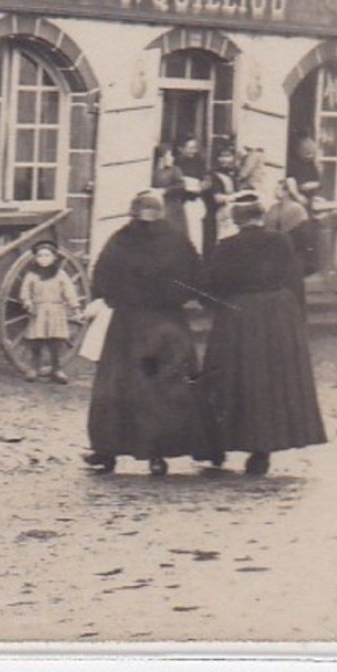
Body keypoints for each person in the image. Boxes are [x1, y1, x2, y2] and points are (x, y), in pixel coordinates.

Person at [84, 190, 214, 476]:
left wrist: (115, 298)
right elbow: (196, 277)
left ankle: (107, 452)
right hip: (167, 323)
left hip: (128, 325)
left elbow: (102, 276)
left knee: (118, 386)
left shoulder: (120, 240)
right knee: (166, 386)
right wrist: (176, 299)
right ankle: (158, 454)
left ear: (134, 213)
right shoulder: (177, 240)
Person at [197, 198, 327, 475]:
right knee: (269, 384)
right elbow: (293, 280)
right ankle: (261, 452)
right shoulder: (281, 242)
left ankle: (217, 446)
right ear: (261, 217)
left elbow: (211, 287)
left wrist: (216, 307)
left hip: (238, 318)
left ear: (237, 220)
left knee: (228, 380)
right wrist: (294, 319)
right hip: (277, 319)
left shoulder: (227, 247)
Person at [18, 239, 81, 384]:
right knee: (36, 341)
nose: (43, 259)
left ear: (54, 257)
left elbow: (69, 292)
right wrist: (27, 303)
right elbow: (25, 292)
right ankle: (34, 368)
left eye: (47, 256)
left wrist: (75, 307)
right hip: (38, 311)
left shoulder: (60, 275)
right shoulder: (32, 275)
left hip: (55, 310)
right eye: (40, 256)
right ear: (35, 258)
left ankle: (56, 369)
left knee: (55, 341)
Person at [157, 136, 207, 251]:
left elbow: (204, 178)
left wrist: (203, 184)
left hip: (190, 202)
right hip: (178, 204)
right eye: (191, 148)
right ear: (180, 149)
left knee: (194, 234)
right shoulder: (176, 164)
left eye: (195, 148)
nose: (194, 151)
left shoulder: (197, 162)